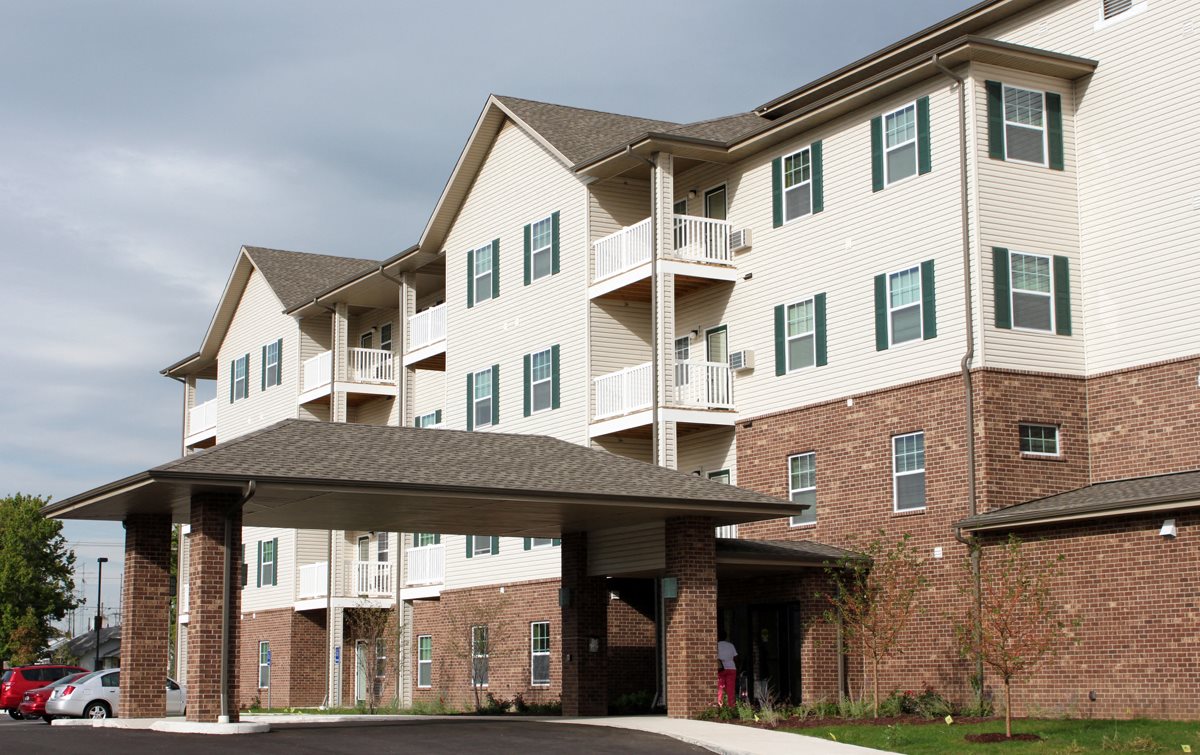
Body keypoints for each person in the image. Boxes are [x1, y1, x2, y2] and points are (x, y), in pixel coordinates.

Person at [716, 629, 738, 707]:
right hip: (732, 668)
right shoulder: (731, 645)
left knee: (720, 687)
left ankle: (720, 705)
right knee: (731, 688)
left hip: (721, 669)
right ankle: (731, 705)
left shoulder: (716, 645)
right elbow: (736, 657)